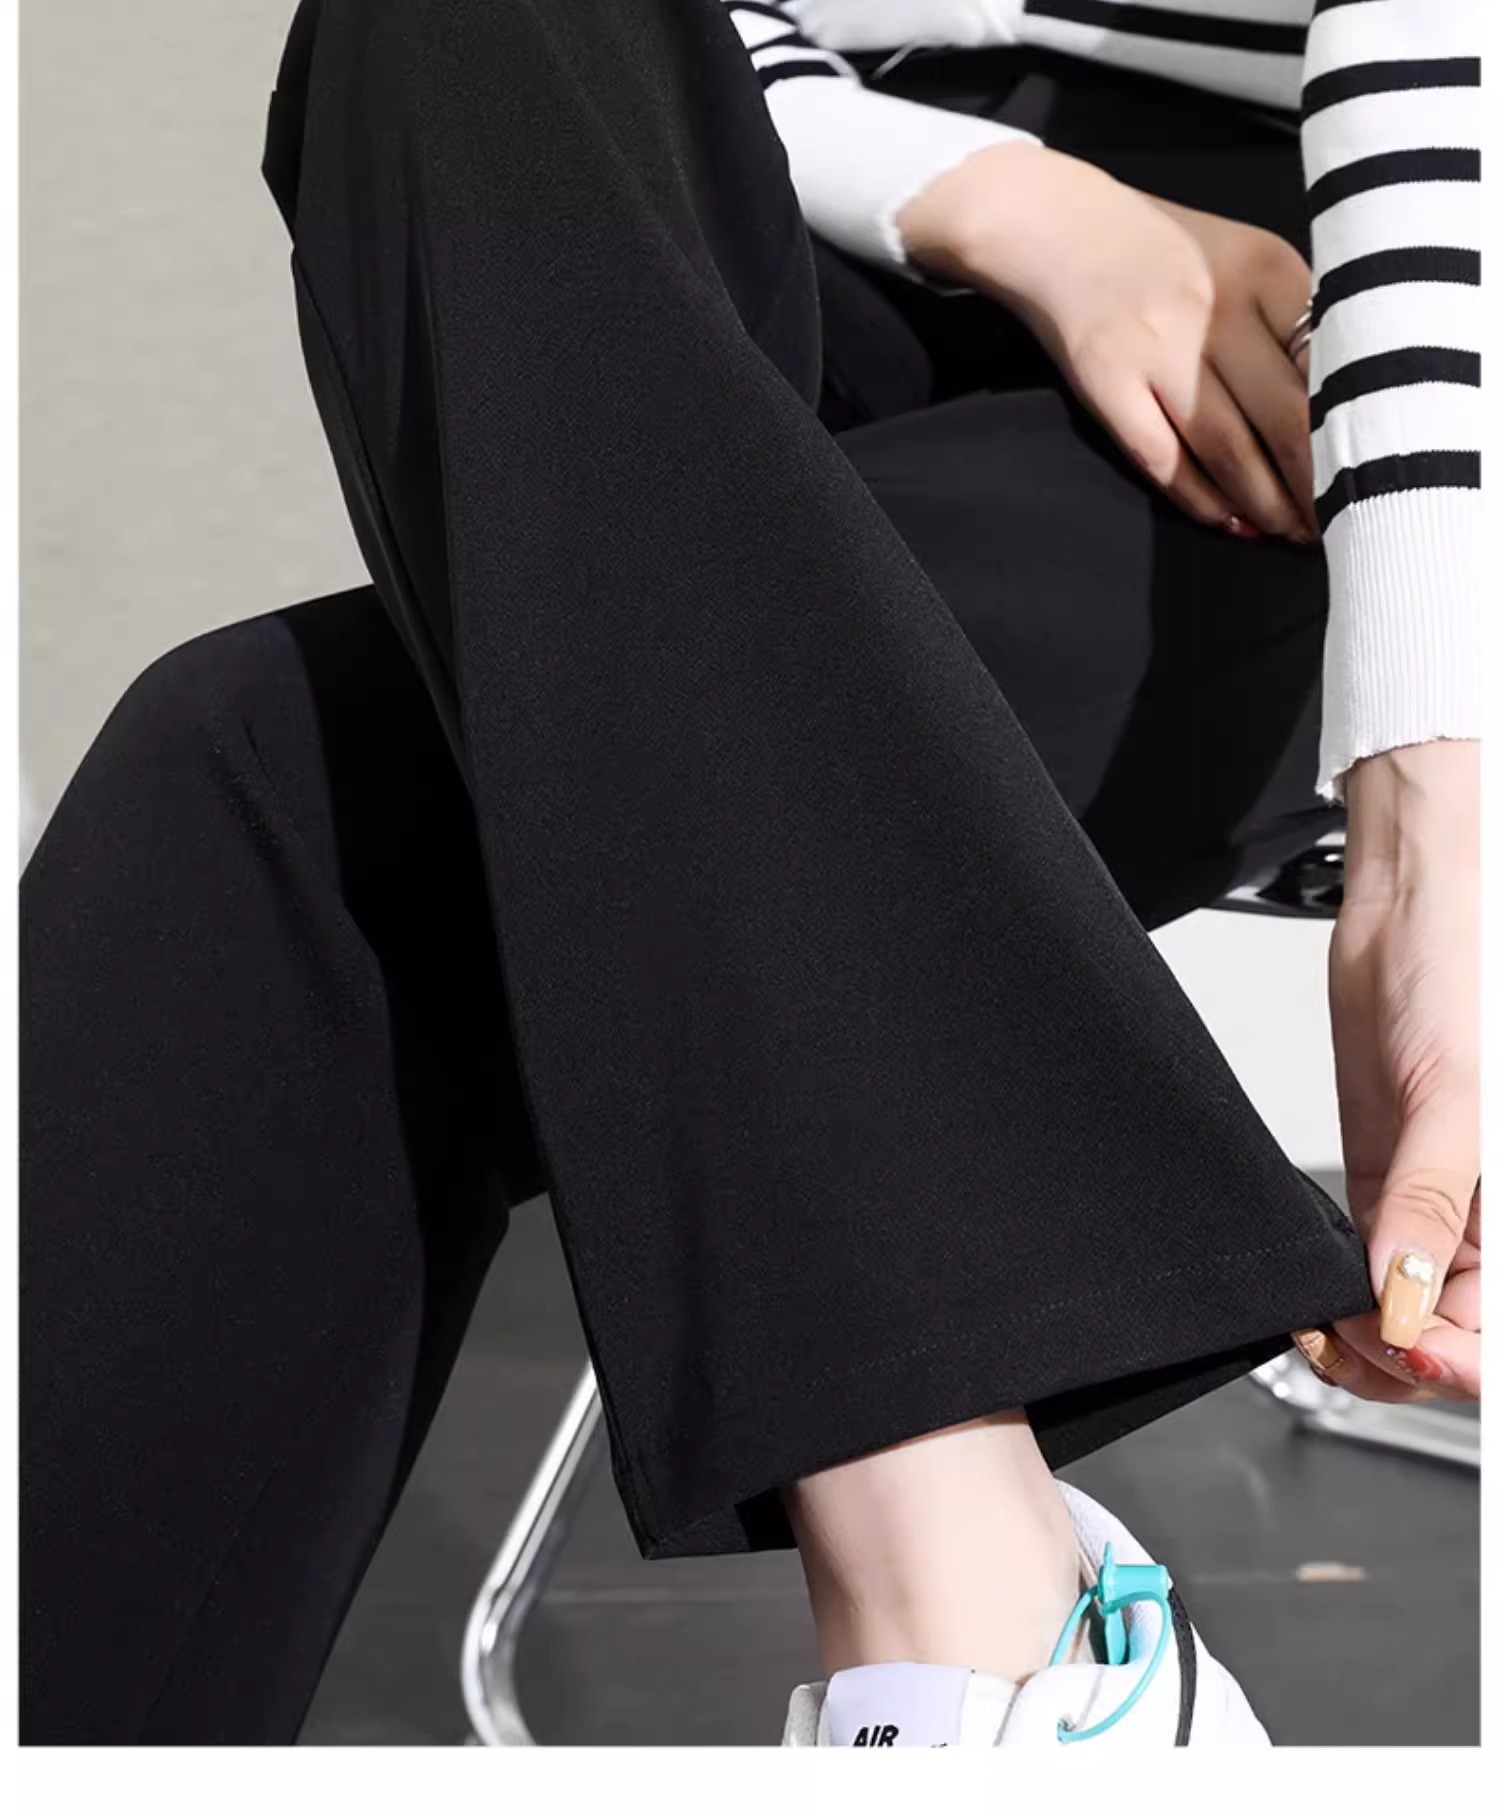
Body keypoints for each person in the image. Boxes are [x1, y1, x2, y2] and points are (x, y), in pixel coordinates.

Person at [20, 0, 1478, 1747]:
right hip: (854, 204)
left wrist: (1435, 823)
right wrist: (1013, 206)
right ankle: (992, 1611)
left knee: (270, 777)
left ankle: (972, 1618)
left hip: (1391, 320)